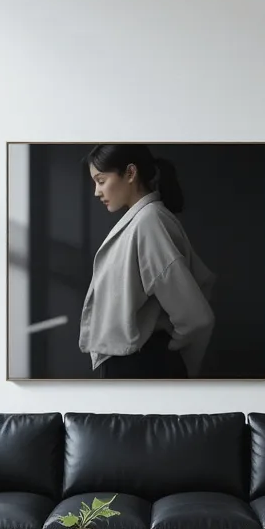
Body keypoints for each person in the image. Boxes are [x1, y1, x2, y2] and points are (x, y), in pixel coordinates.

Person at [79, 144, 215, 379]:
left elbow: (196, 318)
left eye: (101, 181)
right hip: (138, 364)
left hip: (142, 366)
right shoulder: (144, 221)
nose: (96, 192)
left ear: (130, 173)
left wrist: (168, 356)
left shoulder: (149, 222)